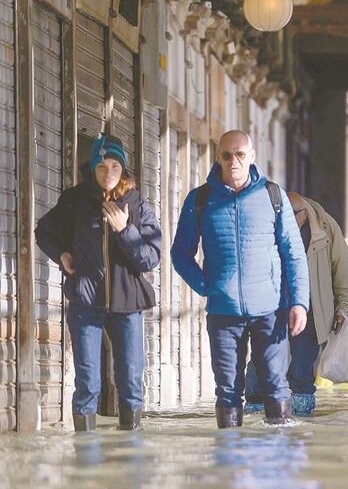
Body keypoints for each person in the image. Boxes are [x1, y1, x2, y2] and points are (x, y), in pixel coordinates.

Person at [171, 130, 309, 428]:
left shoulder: (274, 196)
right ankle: (230, 462)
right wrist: (206, 286)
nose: (233, 161)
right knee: (228, 392)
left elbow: (293, 253)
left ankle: (277, 463)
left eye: (240, 155)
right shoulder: (200, 199)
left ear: (252, 157)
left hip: (271, 310)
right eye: (226, 155)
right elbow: (180, 254)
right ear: (218, 156)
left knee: (275, 386)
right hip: (223, 314)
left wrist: (299, 302)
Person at [35, 134, 162, 432]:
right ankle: (85, 457)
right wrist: (61, 254)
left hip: (128, 303)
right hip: (85, 302)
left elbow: (150, 258)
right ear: (92, 167)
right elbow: (43, 232)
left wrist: (124, 230)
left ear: (124, 169)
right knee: (87, 380)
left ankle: (130, 451)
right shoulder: (74, 200)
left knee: (130, 379)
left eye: (115, 165)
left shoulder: (138, 204)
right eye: (102, 166)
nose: (108, 173)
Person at [245, 193, 348, 417]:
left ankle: (302, 424)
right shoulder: (268, 224)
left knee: (301, 372)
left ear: (304, 214)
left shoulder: (326, 228)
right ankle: (254, 420)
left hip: (310, 312)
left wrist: (344, 310)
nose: (282, 219)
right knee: (259, 366)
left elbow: (344, 274)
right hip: (270, 309)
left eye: (290, 215)